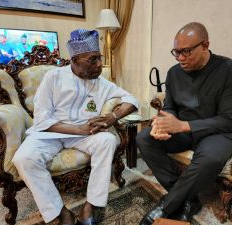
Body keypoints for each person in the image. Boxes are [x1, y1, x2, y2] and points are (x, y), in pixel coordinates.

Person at [12, 29, 138, 225]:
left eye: (100, 58)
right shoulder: (53, 78)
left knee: (108, 140)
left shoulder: (102, 83)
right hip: (50, 132)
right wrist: (78, 130)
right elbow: (42, 118)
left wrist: (113, 116)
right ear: (75, 59)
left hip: (85, 135)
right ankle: (61, 212)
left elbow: (132, 99)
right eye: (93, 59)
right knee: (23, 158)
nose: (99, 65)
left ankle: (90, 206)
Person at [136, 22, 232, 225]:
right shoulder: (174, 73)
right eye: (176, 52)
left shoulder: (230, 70)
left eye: (186, 51)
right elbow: (170, 107)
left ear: (205, 45)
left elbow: (228, 120)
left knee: (210, 158)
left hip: (219, 131)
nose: (180, 58)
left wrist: (182, 126)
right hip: (184, 129)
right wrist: (163, 122)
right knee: (144, 138)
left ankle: (168, 204)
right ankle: (189, 200)